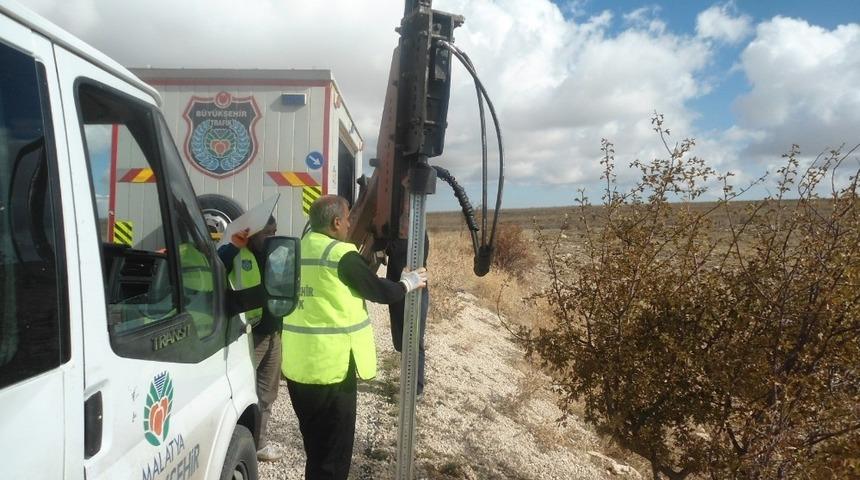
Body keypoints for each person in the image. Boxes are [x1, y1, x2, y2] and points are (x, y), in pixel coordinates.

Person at [282, 195, 428, 480]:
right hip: (332, 372)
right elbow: (378, 291)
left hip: (298, 371)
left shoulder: (294, 251)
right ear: (336, 222)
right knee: (333, 457)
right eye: (348, 218)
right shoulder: (341, 255)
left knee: (316, 448)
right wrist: (407, 283)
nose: (350, 223)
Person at [218, 216, 284, 462]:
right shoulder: (236, 254)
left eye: (275, 231)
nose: (272, 237)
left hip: (273, 332)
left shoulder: (276, 254)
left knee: (267, 392)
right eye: (267, 232)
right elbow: (216, 266)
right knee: (239, 391)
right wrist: (234, 245)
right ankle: (230, 444)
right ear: (253, 233)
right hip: (247, 336)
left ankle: (258, 443)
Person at [386, 235, 429, 398]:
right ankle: (408, 381)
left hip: (415, 291)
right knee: (400, 339)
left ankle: (414, 390)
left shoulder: (417, 234)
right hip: (398, 288)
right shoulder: (395, 229)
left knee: (414, 337)